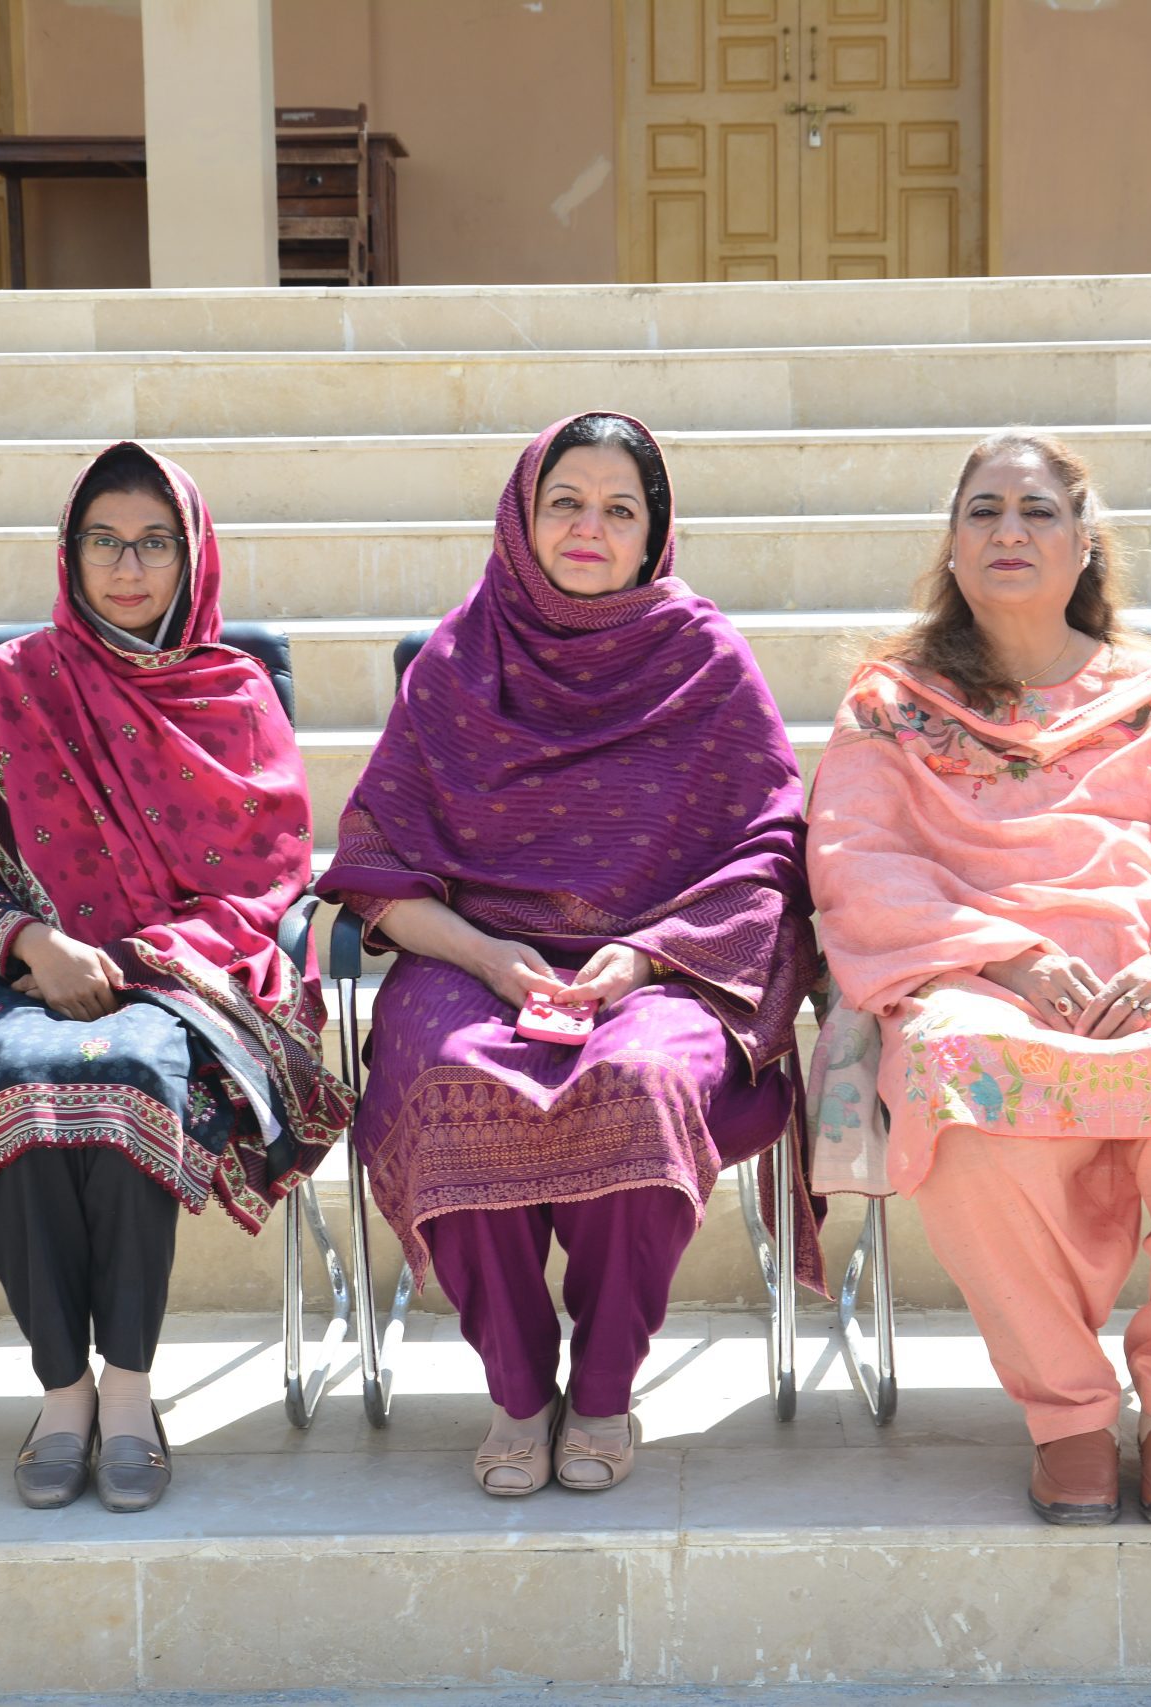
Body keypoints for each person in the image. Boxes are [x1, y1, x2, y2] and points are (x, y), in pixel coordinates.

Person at [806, 429, 1151, 1527]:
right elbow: (857, 862)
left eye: (1037, 511)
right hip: (978, 967)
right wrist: (1005, 955)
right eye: (983, 511)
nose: (1008, 531)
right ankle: (1065, 1409)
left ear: (1084, 542)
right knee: (954, 1067)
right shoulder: (890, 704)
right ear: (951, 545)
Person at [321, 412, 816, 1497]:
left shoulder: (705, 660)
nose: (590, 527)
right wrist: (485, 954)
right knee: (453, 1078)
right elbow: (376, 862)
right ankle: (516, 1392)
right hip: (471, 956)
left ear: (654, 534)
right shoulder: (460, 658)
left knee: (638, 1082)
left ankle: (601, 1389)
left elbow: (767, 851)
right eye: (566, 503)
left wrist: (644, 958)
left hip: (661, 964)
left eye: (619, 510)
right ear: (523, 518)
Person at [0, 441, 354, 1513]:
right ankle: (64, 1390)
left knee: (132, 1075)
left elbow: (271, 878)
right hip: (22, 973)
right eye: (104, 540)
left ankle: (129, 1387)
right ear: (70, 552)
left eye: (153, 542)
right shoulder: (11, 684)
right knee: (17, 1082)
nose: (128, 565)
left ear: (193, 557)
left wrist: (140, 960)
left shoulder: (234, 691)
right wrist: (32, 944)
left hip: (184, 978)